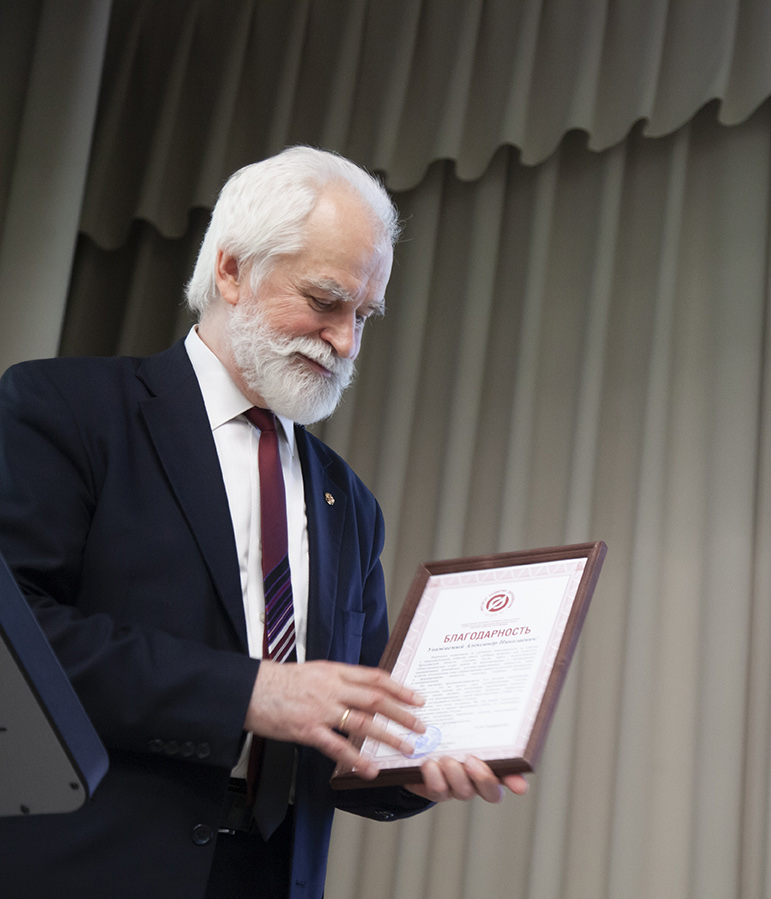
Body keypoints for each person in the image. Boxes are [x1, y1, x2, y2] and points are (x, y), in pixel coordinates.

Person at [0, 146, 526, 899]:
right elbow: (21, 642)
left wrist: (414, 767)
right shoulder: (66, 410)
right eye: (324, 300)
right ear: (231, 270)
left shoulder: (350, 502)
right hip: (90, 867)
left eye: (363, 316)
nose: (346, 341)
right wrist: (251, 692)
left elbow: (344, 724)